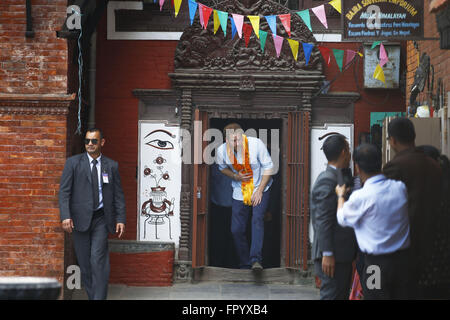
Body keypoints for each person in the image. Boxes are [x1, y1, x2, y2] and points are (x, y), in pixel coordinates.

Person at [336, 143, 410, 299]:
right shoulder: (400, 188)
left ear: (357, 167)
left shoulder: (361, 197)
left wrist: (341, 196)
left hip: (375, 264)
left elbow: (342, 218)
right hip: (402, 261)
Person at [59, 128, 126, 300]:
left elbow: (118, 194)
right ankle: (93, 296)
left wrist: (120, 219)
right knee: (85, 264)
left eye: (94, 141)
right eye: (87, 141)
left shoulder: (111, 166)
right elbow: (64, 192)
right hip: (79, 220)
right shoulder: (73, 164)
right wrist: (65, 216)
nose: (90, 144)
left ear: (101, 142)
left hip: (101, 219)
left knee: (98, 261)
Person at [382, 118, 442, 299]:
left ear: (392, 140)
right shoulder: (435, 165)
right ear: (414, 136)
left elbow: (387, 209)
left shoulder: (395, 167)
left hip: (402, 249)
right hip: (432, 246)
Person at [216, 123, 273, 271]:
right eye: (232, 141)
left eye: (238, 139)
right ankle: (244, 263)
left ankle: (256, 260)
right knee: (236, 229)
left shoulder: (256, 144)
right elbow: (222, 168)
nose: (236, 143)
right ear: (226, 140)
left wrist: (260, 190)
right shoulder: (222, 151)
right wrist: (235, 175)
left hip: (261, 187)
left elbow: (268, 167)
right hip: (239, 191)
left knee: (257, 220)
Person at [310, 133, 357, 300]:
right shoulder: (327, 180)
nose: (350, 154)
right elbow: (323, 220)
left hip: (340, 253)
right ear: (344, 152)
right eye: (349, 149)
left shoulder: (337, 176)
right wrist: (328, 253)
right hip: (331, 255)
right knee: (331, 295)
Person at [209, 163, 238, 268]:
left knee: (235, 236)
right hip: (217, 207)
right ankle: (217, 263)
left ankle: (233, 265)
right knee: (218, 237)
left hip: (236, 208)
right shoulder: (214, 167)